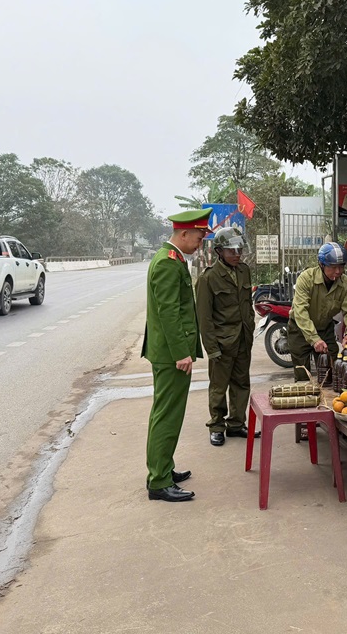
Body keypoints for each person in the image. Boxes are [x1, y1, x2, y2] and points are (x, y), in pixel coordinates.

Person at [142, 207, 212, 503]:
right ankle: (158, 481)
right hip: (172, 355)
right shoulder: (167, 264)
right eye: (198, 237)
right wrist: (182, 353)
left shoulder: (172, 260)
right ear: (184, 233)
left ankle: (164, 469)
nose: (200, 243)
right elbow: (169, 313)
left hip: (169, 352)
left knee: (166, 412)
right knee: (167, 415)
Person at [196, 225, 257, 447]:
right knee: (219, 386)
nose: (237, 254)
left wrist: (249, 326)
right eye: (231, 251)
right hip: (222, 342)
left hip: (243, 338)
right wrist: (211, 347)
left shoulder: (244, 270)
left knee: (242, 383)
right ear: (219, 251)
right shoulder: (208, 278)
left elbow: (247, 304)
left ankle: (236, 423)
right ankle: (217, 426)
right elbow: (204, 318)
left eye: (239, 250)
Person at [287, 241, 347, 383]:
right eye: (333, 267)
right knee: (303, 376)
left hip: (325, 329)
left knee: (331, 373)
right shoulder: (306, 278)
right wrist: (314, 339)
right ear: (321, 265)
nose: (338, 271)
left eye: (341, 266)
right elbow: (300, 311)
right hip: (300, 330)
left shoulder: (346, 283)